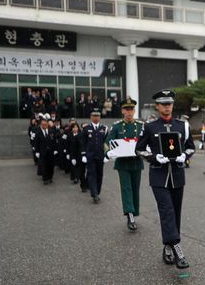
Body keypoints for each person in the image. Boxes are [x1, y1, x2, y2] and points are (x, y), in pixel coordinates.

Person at [135, 89, 195, 269]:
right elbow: (139, 149)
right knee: (167, 210)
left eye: (169, 104)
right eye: (163, 104)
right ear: (157, 106)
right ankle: (177, 248)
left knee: (175, 212)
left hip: (177, 175)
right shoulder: (150, 126)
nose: (167, 107)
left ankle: (167, 247)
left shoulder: (182, 125)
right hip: (159, 176)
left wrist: (185, 155)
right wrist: (154, 157)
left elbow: (191, 147)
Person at [105, 98, 145, 231]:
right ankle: (130, 215)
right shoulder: (117, 126)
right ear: (122, 111)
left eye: (131, 109)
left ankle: (134, 212)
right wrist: (109, 152)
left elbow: (147, 141)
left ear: (134, 111)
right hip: (123, 163)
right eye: (126, 110)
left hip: (136, 162)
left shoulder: (140, 126)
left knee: (135, 188)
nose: (129, 112)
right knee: (126, 188)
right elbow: (107, 142)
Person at [81, 108, 108, 203]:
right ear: (91, 117)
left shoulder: (104, 129)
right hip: (90, 156)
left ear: (100, 117)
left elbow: (106, 143)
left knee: (99, 175)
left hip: (100, 156)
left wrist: (107, 155)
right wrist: (83, 154)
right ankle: (94, 194)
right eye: (94, 116)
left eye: (97, 116)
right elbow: (83, 142)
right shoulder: (86, 128)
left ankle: (97, 191)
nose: (96, 118)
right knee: (91, 174)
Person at [34, 114, 56, 185]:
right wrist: (37, 151)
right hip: (42, 152)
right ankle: (45, 179)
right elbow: (36, 143)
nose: (45, 125)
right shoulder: (38, 133)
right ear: (41, 125)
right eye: (43, 124)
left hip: (51, 151)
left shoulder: (51, 131)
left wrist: (55, 149)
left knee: (51, 165)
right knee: (44, 166)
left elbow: (54, 141)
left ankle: (50, 177)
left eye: (46, 124)